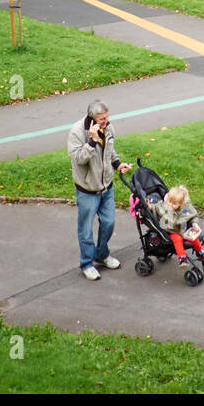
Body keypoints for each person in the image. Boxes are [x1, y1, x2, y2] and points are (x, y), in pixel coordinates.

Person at [67, 99, 131, 280]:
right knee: (86, 230)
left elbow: (110, 151)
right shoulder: (77, 132)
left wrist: (118, 165)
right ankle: (87, 263)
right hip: (87, 189)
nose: (106, 121)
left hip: (106, 187)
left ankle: (101, 255)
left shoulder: (109, 128)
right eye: (102, 119)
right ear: (92, 118)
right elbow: (77, 158)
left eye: (107, 117)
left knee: (109, 223)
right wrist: (92, 142)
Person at [154, 184, 204, 268]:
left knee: (194, 238)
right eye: (169, 201)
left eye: (174, 203)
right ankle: (182, 258)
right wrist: (149, 206)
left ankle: (200, 251)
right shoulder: (164, 207)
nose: (170, 205)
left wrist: (194, 223)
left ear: (181, 204)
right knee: (177, 239)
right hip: (172, 231)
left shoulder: (184, 209)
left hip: (184, 229)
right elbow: (155, 208)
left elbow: (191, 216)